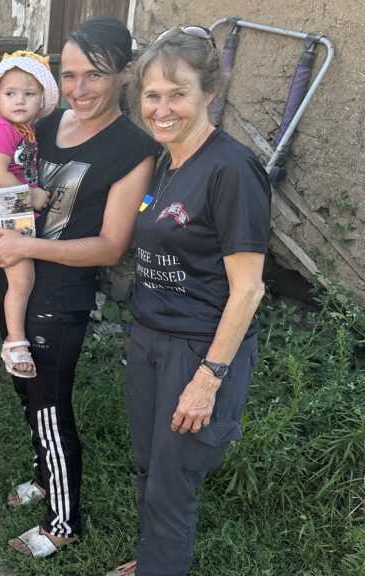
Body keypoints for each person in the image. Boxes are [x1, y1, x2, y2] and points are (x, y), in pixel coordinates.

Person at [0, 16, 158, 557]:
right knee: (25, 390)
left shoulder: (133, 149)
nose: (79, 90)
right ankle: (42, 474)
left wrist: (25, 248)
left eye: (95, 76)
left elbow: (110, 245)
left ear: (125, 74)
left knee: (51, 403)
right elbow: (0, 177)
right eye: (71, 74)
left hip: (61, 295)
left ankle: (63, 520)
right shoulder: (46, 122)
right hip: (16, 278)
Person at [108, 26, 270, 576]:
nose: (162, 107)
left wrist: (208, 377)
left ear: (208, 92)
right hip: (152, 340)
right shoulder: (167, 162)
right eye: (152, 95)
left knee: (172, 487)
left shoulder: (231, 169)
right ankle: (155, 560)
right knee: (150, 470)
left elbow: (249, 289)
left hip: (198, 350)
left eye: (177, 92)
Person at [0, 50, 59, 378]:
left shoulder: (24, 130)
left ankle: (15, 334)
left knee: (19, 278)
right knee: (23, 279)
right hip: (4, 208)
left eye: (29, 94)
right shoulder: (2, 130)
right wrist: (33, 194)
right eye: (11, 94)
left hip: (13, 207)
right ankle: (15, 341)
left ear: (41, 100)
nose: (20, 100)